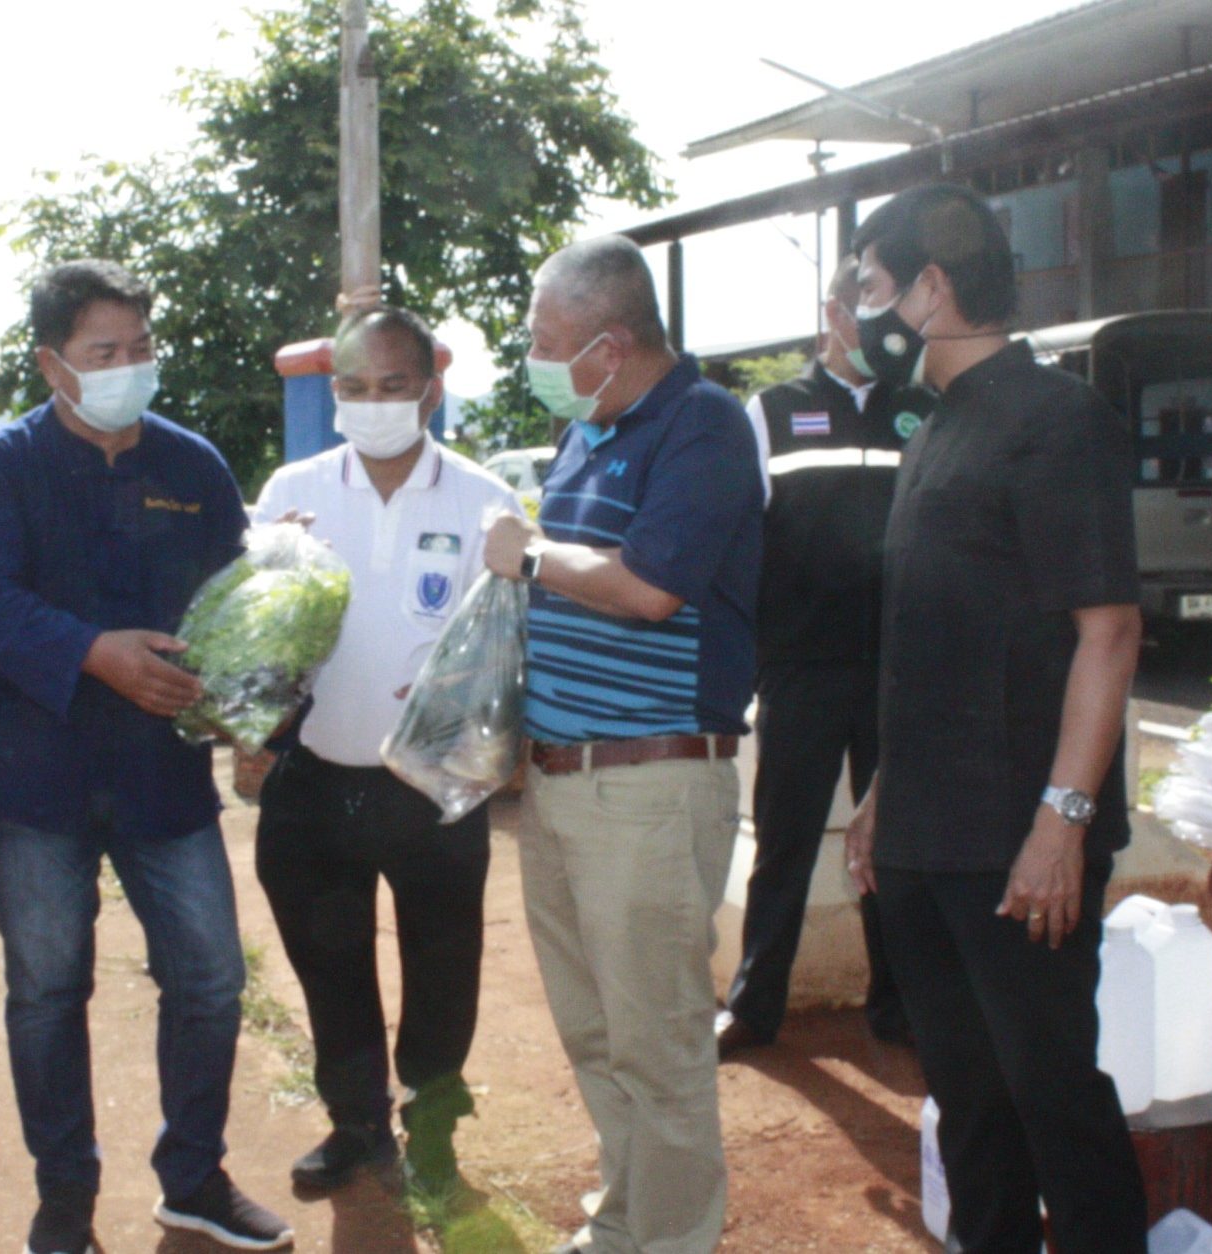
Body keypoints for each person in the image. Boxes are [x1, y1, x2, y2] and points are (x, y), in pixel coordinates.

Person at [0, 259, 293, 1254]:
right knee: (48, 989)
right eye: (103, 352)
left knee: (211, 978)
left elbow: (232, 604)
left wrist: (262, 665)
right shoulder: (0, 467)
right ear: (52, 363)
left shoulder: (192, 467)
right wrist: (92, 653)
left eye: (140, 347)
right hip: (36, 777)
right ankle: (65, 1196)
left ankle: (194, 1178)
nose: (128, 367)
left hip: (161, 773)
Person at [839, 185, 1149, 1253]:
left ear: (933, 287)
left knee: (1053, 1099)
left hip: (1020, 847)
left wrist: (1062, 823)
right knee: (969, 1108)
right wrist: (882, 796)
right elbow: (935, 639)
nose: (859, 312)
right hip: (925, 839)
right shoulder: (935, 426)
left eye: (871, 286)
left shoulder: (1057, 420)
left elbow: (1109, 633)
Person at [482, 235, 763, 1254]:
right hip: (563, 784)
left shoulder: (703, 425)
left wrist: (530, 555)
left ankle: (673, 1240)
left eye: (544, 340)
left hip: (650, 784)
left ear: (609, 344)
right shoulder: (589, 431)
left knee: (659, 1043)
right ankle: (623, 1223)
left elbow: (649, 589)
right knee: (595, 1030)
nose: (533, 358)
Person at [250, 305, 522, 1195]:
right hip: (315, 777)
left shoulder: (485, 499)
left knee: (443, 966)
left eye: (393, 386)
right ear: (334, 392)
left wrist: (453, 699)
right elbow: (261, 638)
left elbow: (507, 646)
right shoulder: (293, 490)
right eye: (354, 388)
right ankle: (356, 1123)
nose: (372, 405)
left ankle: (433, 1127)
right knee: (329, 963)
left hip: (432, 786)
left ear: (431, 392)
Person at [717, 257, 911, 1056]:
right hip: (800, 667)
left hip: (899, 670)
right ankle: (754, 1006)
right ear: (834, 314)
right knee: (784, 841)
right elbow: (740, 538)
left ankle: (898, 1008)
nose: (885, 329)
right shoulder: (772, 410)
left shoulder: (921, 409)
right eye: (869, 309)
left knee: (894, 846)